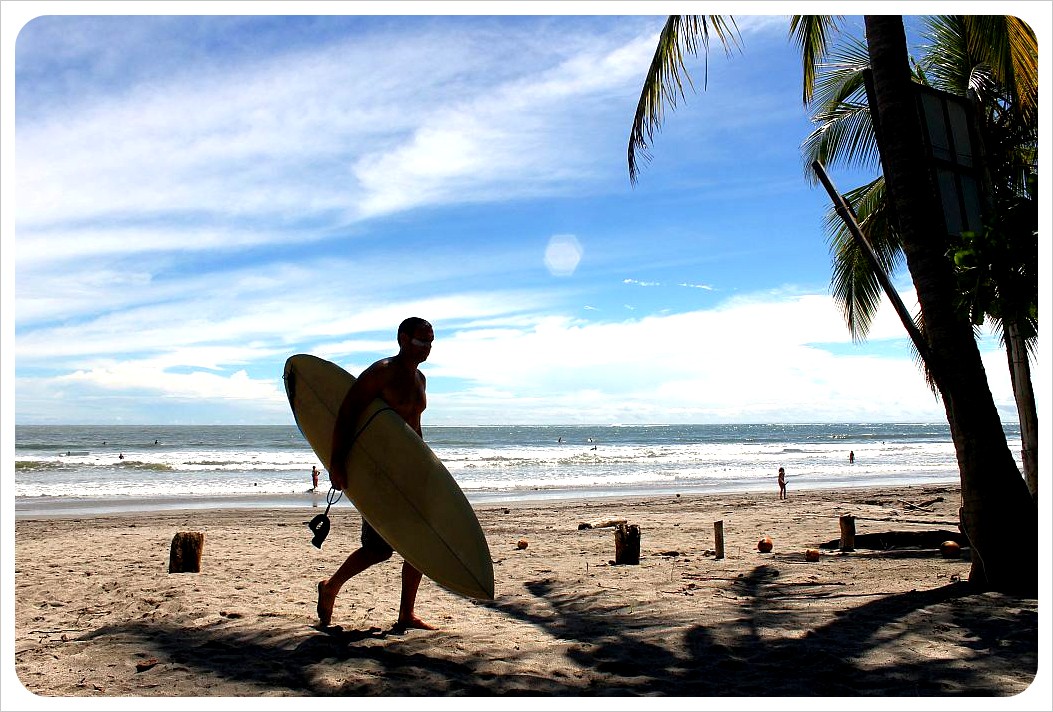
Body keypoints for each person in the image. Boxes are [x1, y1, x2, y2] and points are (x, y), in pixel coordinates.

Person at [316, 317, 437, 631]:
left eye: (431, 342)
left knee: (420, 543)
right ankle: (330, 587)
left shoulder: (420, 379)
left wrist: (425, 463)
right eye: (421, 341)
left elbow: (414, 428)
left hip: (410, 471)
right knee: (379, 549)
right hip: (381, 473)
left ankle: (406, 614)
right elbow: (346, 414)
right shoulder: (381, 372)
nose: (427, 348)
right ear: (402, 339)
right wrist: (337, 463)